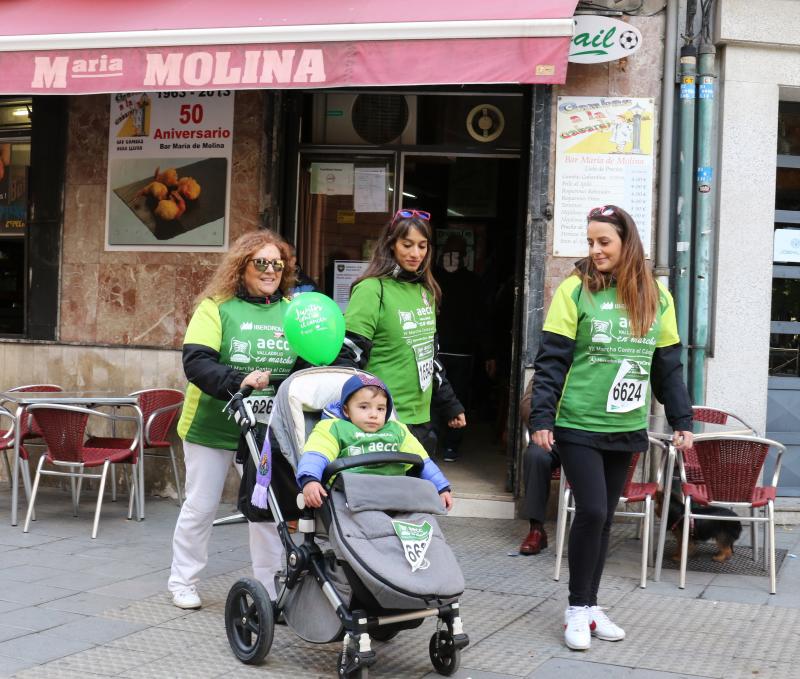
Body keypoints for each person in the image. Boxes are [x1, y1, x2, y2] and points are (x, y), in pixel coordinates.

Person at [529, 205, 693, 651]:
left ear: (627, 243)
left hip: (626, 426)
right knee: (594, 512)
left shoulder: (658, 298)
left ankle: (591, 605)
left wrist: (682, 420)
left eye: (604, 241)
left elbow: (668, 366)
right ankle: (576, 610)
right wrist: (541, 417)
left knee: (603, 521)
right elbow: (552, 359)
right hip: (578, 422)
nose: (596, 250)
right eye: (590, 242)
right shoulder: (575, 290)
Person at [168, 229, 305, 610]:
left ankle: (268, 586)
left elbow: (307, 363)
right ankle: (183, 581)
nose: (270, 270)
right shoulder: (215, 306)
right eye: (260, 262)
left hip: (265, 432)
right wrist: (237, 381)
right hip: (212, 426)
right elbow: (197, 362)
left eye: (277, 264)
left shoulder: (293, 310)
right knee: (202, 505)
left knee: (266, 508)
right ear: (241, 266)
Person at [336, 209, 466, 455]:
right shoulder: (372, 289)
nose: (415, 254)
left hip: (423, 420)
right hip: (382, 421)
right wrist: (360, 412)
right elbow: (348, 356)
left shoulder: (426, 292)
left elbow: (431, 357)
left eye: (422, 246)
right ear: (391, 244)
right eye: (407, 244)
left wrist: (450, 404)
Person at [296, 373, 453, 510]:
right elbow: (316, 454)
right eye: (364, 407)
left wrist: (441, 488)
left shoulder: (397, 430)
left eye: (380, 409)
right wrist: (310, 480)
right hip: (351, 497)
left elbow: (423, 460)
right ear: (346, 410)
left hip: (396, 495)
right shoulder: (334, 428)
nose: (373, 414)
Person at [518, 375, 560, 555]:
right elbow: (527, 403)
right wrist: (544, 424)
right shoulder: (554, 364)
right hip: (554, 437)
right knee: (535, 455)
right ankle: (536, 530)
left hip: (586, 437)